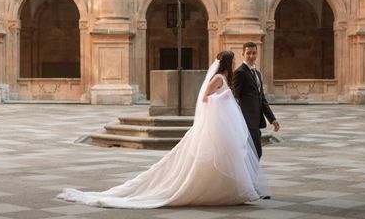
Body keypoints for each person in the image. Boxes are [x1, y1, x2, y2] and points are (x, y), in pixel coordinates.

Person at [57, 51, 269, 208]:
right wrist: (223, 97)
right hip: (219, 122)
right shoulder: (218, 78)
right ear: (227, 62)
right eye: (231, 60)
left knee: (229, 155)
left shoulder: (224, 78)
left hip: (223, 123)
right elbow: (205, 98)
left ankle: (231, 189)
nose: (232, 63)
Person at [233, 42, 280, 160]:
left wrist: (272, 119)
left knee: (255, 153)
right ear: (243, 54)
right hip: (246, 119)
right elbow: (235, 96)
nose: (251, 56)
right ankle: (247, 177)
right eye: (248, 53)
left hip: (256, 120)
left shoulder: (257, 73)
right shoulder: (240, 72)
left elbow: (262, 99)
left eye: (254, 53)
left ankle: (249, 177)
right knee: (255, 152)